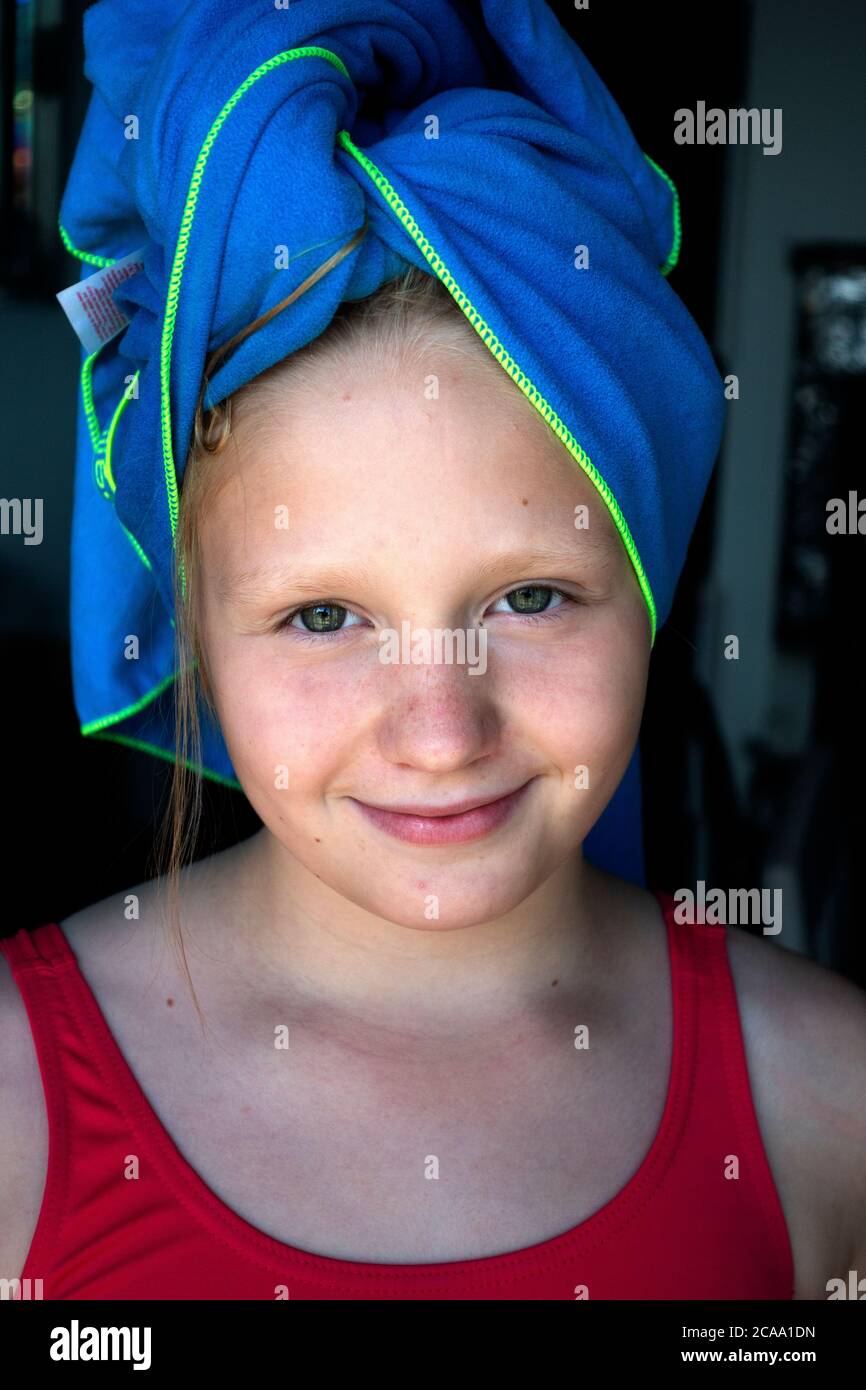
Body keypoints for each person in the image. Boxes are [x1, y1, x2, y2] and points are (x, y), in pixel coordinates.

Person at [2, 0, 864, 1301]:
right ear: (195, 627)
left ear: (647, 577)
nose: (440, 731)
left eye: (527, 595)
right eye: (322, 615)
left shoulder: (829, 1098)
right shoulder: (15, 1102)